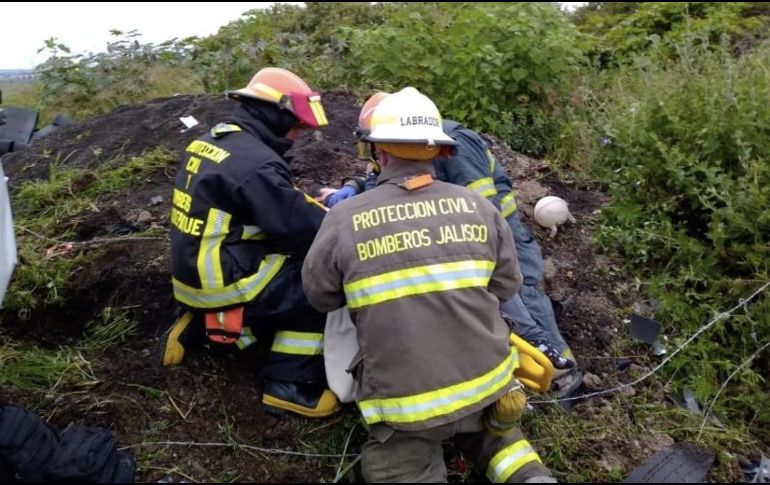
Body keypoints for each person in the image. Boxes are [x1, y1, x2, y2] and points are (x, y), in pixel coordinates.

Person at [303, 87, 554, 483]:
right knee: (502, 445)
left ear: (379, 152)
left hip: (409, 406)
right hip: (488, 383)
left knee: (398, 467)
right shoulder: (479, 208)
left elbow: (320, 296)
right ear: (437, 150)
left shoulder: (344, 219)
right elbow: (507, 286)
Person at [324, 92, 580, 392]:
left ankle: (563, 374)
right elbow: (381, 176)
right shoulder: (410, 144)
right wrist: (354, 188)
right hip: (453, 233)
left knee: (523, 292)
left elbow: (485, 212)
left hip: (499, 231)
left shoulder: (457, 145)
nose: (376, 156)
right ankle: (523, 369)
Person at [163, 67, 339, 418]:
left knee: (283, 269)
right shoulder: (256, 164)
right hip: (224, 281)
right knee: (319, 283)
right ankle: (290, 385)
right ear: (276, 115)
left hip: (191, 275)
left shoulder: (214, 142)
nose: (298, 134)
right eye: (296, 125)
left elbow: (268, 199)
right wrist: (347, 221)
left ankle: (201, 327)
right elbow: (305, 229)